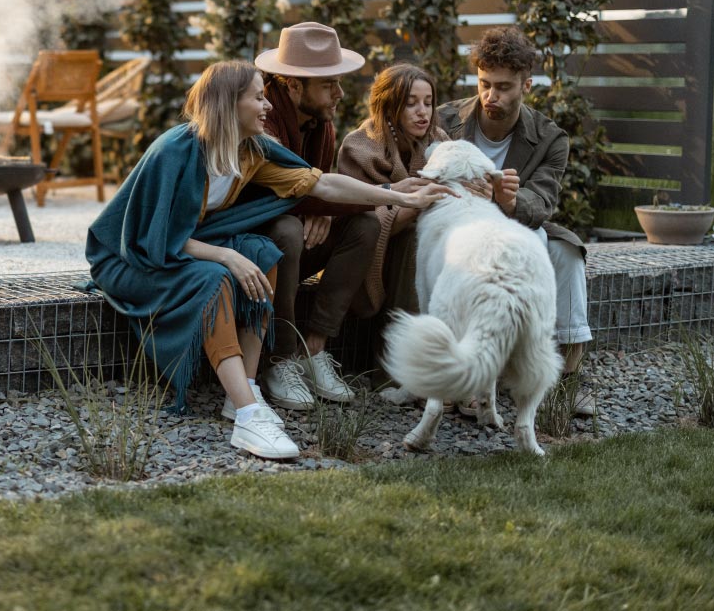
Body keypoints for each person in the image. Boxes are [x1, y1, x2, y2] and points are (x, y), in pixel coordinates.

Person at [85, 60, 452, 460]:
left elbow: (323, 183)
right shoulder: (176, 151)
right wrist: (226, 255)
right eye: (258, 98)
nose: (268, 107)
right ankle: (248, 414)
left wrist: (400, 196)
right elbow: (150, 239)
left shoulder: (252, 151)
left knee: (262, 253)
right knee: (216, 278)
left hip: (180, 248)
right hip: (130, 260)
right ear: (229, 103)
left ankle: (243, 388)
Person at [254, 24, 425, 411]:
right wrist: (319, 206)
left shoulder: (322, 125)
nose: (340, 93)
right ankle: (280, 361)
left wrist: (322, 210)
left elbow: (318, 190)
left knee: (365, 224)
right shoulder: (263, 123)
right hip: (252, 246)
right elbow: (288, 193)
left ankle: (313, 349)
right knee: (287, 230)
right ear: (294, 86)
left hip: (295, 239)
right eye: (329, 84)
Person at [436, 26, 596, 416]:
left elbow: (542, 200)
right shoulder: (445, 120)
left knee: (567, 252)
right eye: (484, 84)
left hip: (519, 226)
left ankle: (569, 378)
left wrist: (508, 200)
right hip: (456, 230)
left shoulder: (549, 138)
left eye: (504, 87)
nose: (491, 96)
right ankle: (475, 374)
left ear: (526, 84)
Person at [336, 64, 450, 318]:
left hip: (438, 250)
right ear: (389, 106)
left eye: (428, 103)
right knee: (413, 238)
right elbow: (359, 223)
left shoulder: (439, 141)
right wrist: (414, 205)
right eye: (411, 104)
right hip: (373, 255)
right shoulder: (360, 148)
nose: (423, 112)